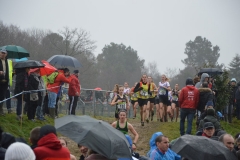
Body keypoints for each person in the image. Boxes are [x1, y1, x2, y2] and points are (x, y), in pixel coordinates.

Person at [0, 48, 9, 115]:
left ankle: (1, 110)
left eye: (4, 53)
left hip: (5, 81)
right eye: (2, 53)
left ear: (6, 54)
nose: (3, 54)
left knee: (3, 96)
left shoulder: (8, 62)